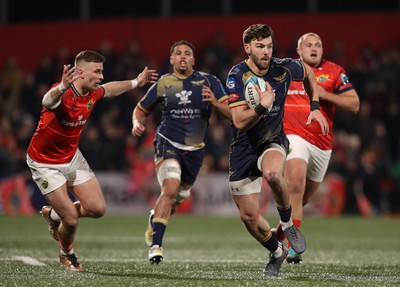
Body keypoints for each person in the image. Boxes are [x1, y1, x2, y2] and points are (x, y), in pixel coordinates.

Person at [26, 50, 158, 271]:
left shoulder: (92, 92)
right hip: (45, 162)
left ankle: (53, 214)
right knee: (71, 220)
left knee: (97, 209)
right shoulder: (62, 93)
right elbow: (47, 101)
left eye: (102, 71)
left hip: (72, 156)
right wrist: (61, 86)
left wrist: (137, 81)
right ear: (80, 72)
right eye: (97, 72)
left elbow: (111, 89)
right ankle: (66, 254)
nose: (101, 76)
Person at [226, 24, 329, 277]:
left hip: (272, 140)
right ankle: (276, 251)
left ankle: (287, 223)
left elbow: (309, 74)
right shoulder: (237, 75)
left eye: (269, 46)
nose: (266, 52)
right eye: (260, 47)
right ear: (247, 48)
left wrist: (314, 105)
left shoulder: (283, 67)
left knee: (273, 174)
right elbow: (239, 120)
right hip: (243, 149)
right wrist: (263, 106)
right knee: (249, 218)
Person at [131, 40, 230, 264]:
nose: (183, 56)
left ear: (194, 60)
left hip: (195, 152)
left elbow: (232, 114)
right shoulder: (165, 83)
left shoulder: (209, 81)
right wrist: (137, 122)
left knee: (175, 198)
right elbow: (140, 109)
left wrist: (215, 102)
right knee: (170, 188)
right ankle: (156, 245)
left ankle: (154, 220)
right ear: (172, 59)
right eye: (178, 53)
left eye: (187, 53)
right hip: (167, 144)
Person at [276, 32, 360, 264]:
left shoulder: (334, 72)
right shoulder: (287, 71)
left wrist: (325, 95)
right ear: (299, 51)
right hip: (293, 137)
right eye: (308, 45)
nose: (314, 48)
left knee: (301, 199)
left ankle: (278, 236)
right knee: (295, 185)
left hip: (322, 145)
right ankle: (294, 248)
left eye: (318, 45)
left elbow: (354, 105)